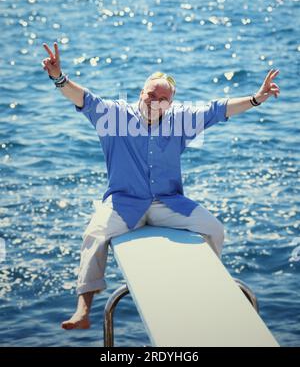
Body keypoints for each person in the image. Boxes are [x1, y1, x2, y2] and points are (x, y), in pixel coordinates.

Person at [42, 42, 280, 330]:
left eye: (162, 98)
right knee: (94, 234)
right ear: (141, 93)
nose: (155, 100)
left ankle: (201, 291)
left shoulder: (181, 119)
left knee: (214, 229)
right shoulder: (114, 116)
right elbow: (83, 98)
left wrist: (256, 98)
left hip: (168, 203)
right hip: (124, 202)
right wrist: (59, 77)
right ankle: (83, 310)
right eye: (150, 94)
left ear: (169, 104)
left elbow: (219, 110)